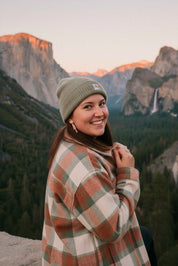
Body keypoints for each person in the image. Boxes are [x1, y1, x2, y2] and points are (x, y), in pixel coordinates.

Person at [42, 77, 151, 265]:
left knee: (145, 235)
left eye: (102, 104)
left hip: (75, 248)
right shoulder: (83, 168)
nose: (100, 113)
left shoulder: (69, 142)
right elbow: (114, 228)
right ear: (69, 116)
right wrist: (127, 173)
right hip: (87, 257)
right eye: (88, 107)